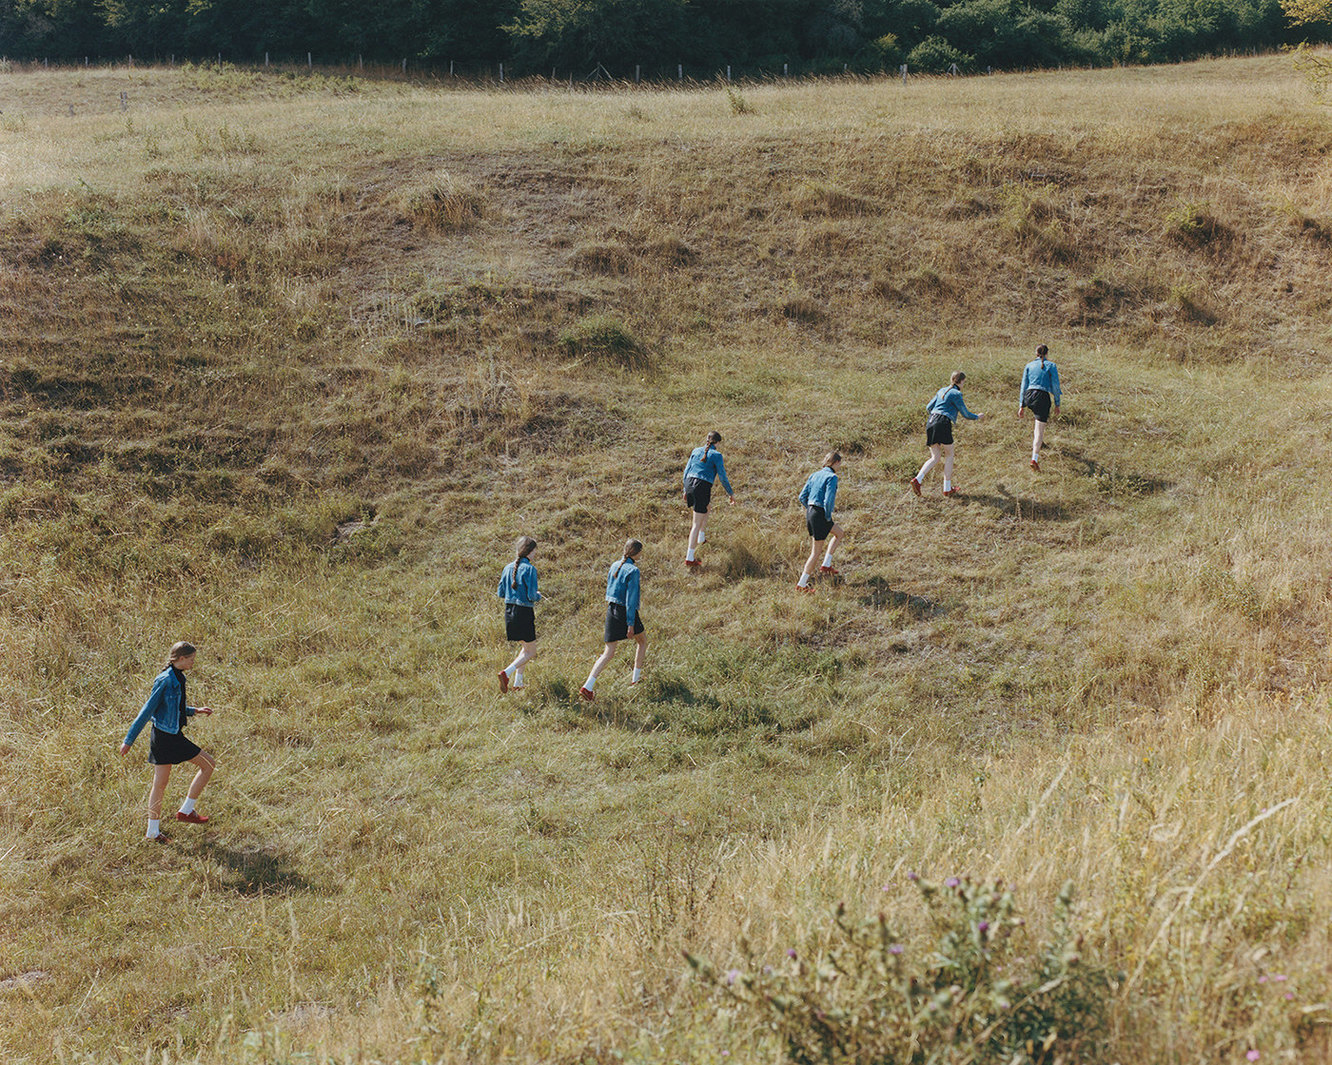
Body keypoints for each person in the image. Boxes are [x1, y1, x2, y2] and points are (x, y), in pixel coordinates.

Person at [119, 641, 217, 843]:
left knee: (161, 784)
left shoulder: (178, 677)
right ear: (180, 659)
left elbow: (174, 707)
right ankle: (183, 813)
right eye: (190, 659)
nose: (193, 663)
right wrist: (129, 740)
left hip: (170, 735)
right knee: (207, 765)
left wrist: (195, 711)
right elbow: (147, 711)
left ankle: (156, 830)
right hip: (166, 738)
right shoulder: (165, 680)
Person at [580, 539, 646, 701]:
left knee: (608, 652)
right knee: (642, 641)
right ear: (637, 553)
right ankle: (635, 679)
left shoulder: (614, 565)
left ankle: (588, 686)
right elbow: (631, 600)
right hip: (625, 611)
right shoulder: (633, 571)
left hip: (611, 609)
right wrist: (630, 623)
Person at [909, 371, 985, 497]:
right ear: (961, 381)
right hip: (943, 422)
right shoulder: (956, 393)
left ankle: (918, 479)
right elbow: (965, 414)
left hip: (931, 421)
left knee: (935, 457)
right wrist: (977, 417)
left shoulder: (942, 390)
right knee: (949, 455)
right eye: (964, 382)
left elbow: (929, 407)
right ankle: (947, 488)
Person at [682, 430, 736, 567]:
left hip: (689, 483)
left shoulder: (696, 450)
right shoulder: (717, 455)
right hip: (701, 486)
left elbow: (686, 471)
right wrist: (730, 493)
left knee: (707, 507)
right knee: (695, 523)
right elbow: (722, 477)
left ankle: (702, 537)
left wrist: (684, 490)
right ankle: (690, 557)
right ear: (717, 443)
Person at [497, 535, 543, 693]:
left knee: (525, 648)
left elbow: (500, 592)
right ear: (530, 551)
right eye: (535, 551)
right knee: (531, 651)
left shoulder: (507, 568)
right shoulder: (530, 569)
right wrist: (538, 595)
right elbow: (531, 595)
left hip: (509, 612)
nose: (535, 554)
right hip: (524, 613)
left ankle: (518, 682)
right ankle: (506, 673)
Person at [797, 452, 842, 591]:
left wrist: (811, 510)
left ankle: (826, 565)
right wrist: (827, 516)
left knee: (839, 533)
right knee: (815, 552)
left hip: (811, 512)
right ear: (834, 462)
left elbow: (801, 497)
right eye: (839, 463)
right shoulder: (832, 477)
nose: (840, 466)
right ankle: (801, 584)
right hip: (821, 513)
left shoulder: (814, 475)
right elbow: (828, 501)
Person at [1019, 343, 1061, 471]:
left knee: (1037, 423)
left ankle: (1040, 443)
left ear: (1036, 353)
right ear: (1047, 354)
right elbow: (1055, 386)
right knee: (1039, 430)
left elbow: (1023, 386)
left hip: (1029, 395)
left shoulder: (1029, 365)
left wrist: (1021, 405)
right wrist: (1057, 403)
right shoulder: (1051, 366)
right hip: (1042, 397)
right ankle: (1034, 459)